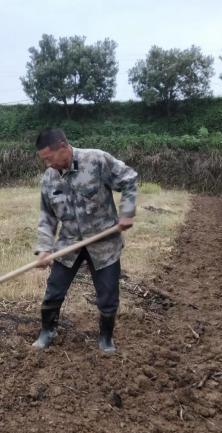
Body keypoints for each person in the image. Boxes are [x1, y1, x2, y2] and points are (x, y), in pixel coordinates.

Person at [32, 128, 138, 354]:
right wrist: (44, 248)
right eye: (44, 160)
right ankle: (48, 331)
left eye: (49, 158)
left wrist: (127, 212)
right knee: (54, 290)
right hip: (69, 243)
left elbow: (129, 179)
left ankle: (106, 338)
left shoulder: (97, 160)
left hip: (104, 242)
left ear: (63, 146)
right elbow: (47, 216)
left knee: (108, 295)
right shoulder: (49, 178)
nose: (47, 164)